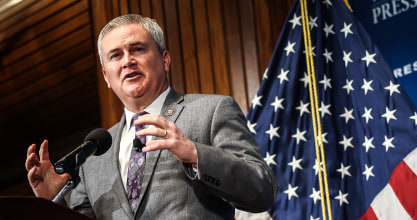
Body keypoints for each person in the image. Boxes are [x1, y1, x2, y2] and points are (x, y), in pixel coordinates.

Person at [25, 14, 278, 219]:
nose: (127, 61)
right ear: (106, 77)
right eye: (116, 55)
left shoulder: (211, 110)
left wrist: (195, 154)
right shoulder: (93, 156)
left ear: (165, 59)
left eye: (137, 49)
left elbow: (262, 190)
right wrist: (53, 203)